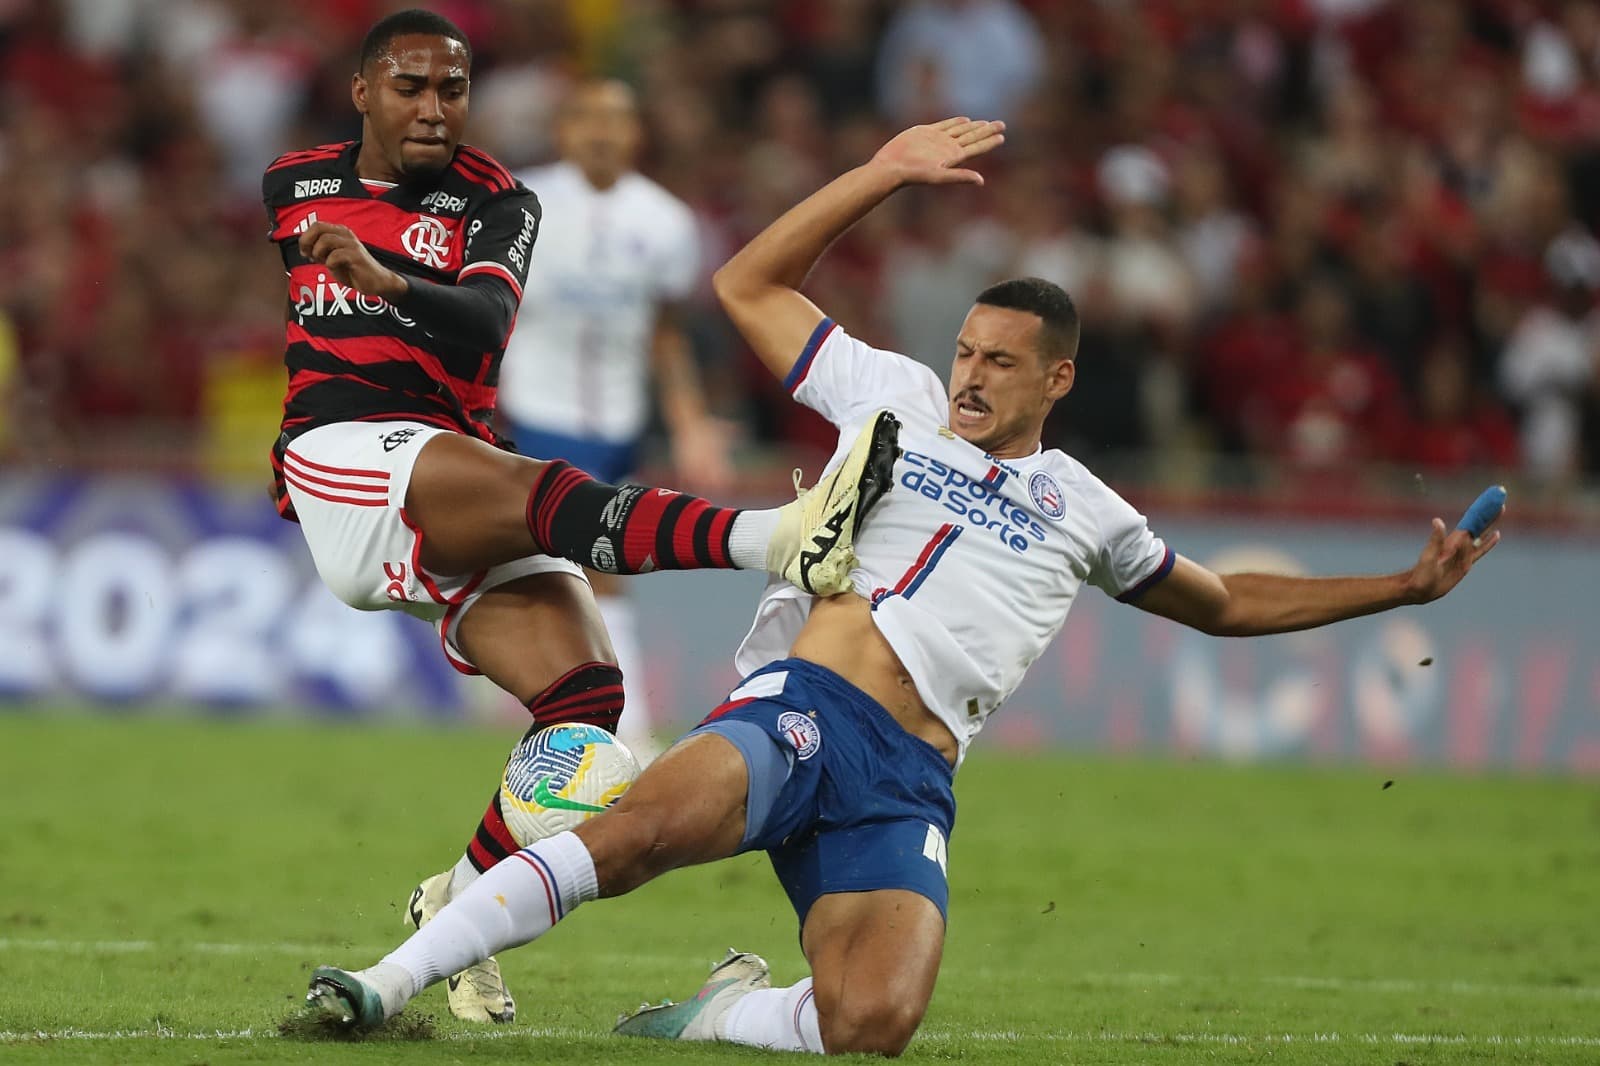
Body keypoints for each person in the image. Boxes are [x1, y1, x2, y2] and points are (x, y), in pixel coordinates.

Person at [301, 117, 1500, 1055]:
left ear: (1059, 378)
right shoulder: (894, 399)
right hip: (803, 708)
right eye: (965, 352)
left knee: (869, 1024)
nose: (969, 377)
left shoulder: (1086, 507)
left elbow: (1224, 601)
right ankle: (386, 980)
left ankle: (717, 1013)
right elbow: (748, 289)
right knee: (634, 836)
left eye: (999, 364)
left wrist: (1398, 587)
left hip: (911, 778)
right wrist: (880, 173)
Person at [264, 8, 895, 1027]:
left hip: (447, 464)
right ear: (365, 90)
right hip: (346, 458)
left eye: (453, 89)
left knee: (588, 706)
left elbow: (483, 322)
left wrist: (389, 279)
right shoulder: (293, 184)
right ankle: (776, 538)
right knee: (536, 494)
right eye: (412, 86)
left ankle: (450, 908)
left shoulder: (500, 203)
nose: (435, 107)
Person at [497, 78, 733, 758]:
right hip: (536, 407)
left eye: (616, 120)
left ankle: (582, 724)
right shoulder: (522, 203)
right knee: (589, 565)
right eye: (587, 119)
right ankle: (619, 732)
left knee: (592, 565)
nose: (601, 132)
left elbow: (665, 332)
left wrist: (689, 421)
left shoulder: (666, 223)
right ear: (564, 130)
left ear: (637, 135)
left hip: (618, 418)